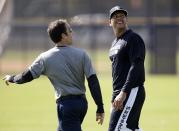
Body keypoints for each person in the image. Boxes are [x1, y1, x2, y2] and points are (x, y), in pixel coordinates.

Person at [3, 19, 105, 131]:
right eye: (70, 30)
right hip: (81, 104)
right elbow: (93, 81)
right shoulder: (82, 54)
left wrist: (11, 78)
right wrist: (99, 106)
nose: (72, 33)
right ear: (63, 36)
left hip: (67, 106)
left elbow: (25, 77)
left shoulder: (45, 58)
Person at [108, 6, 146, 131]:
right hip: (119, 93)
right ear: (110, 22)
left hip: (131, 91)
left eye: (122, 16)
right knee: (130, 128)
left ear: (126, 19)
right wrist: (115, 95)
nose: (119, 18)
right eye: (116, 16)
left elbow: (137, 66)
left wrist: (123, 93)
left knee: (115, 129)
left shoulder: (133, 38)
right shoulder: (115, 43)